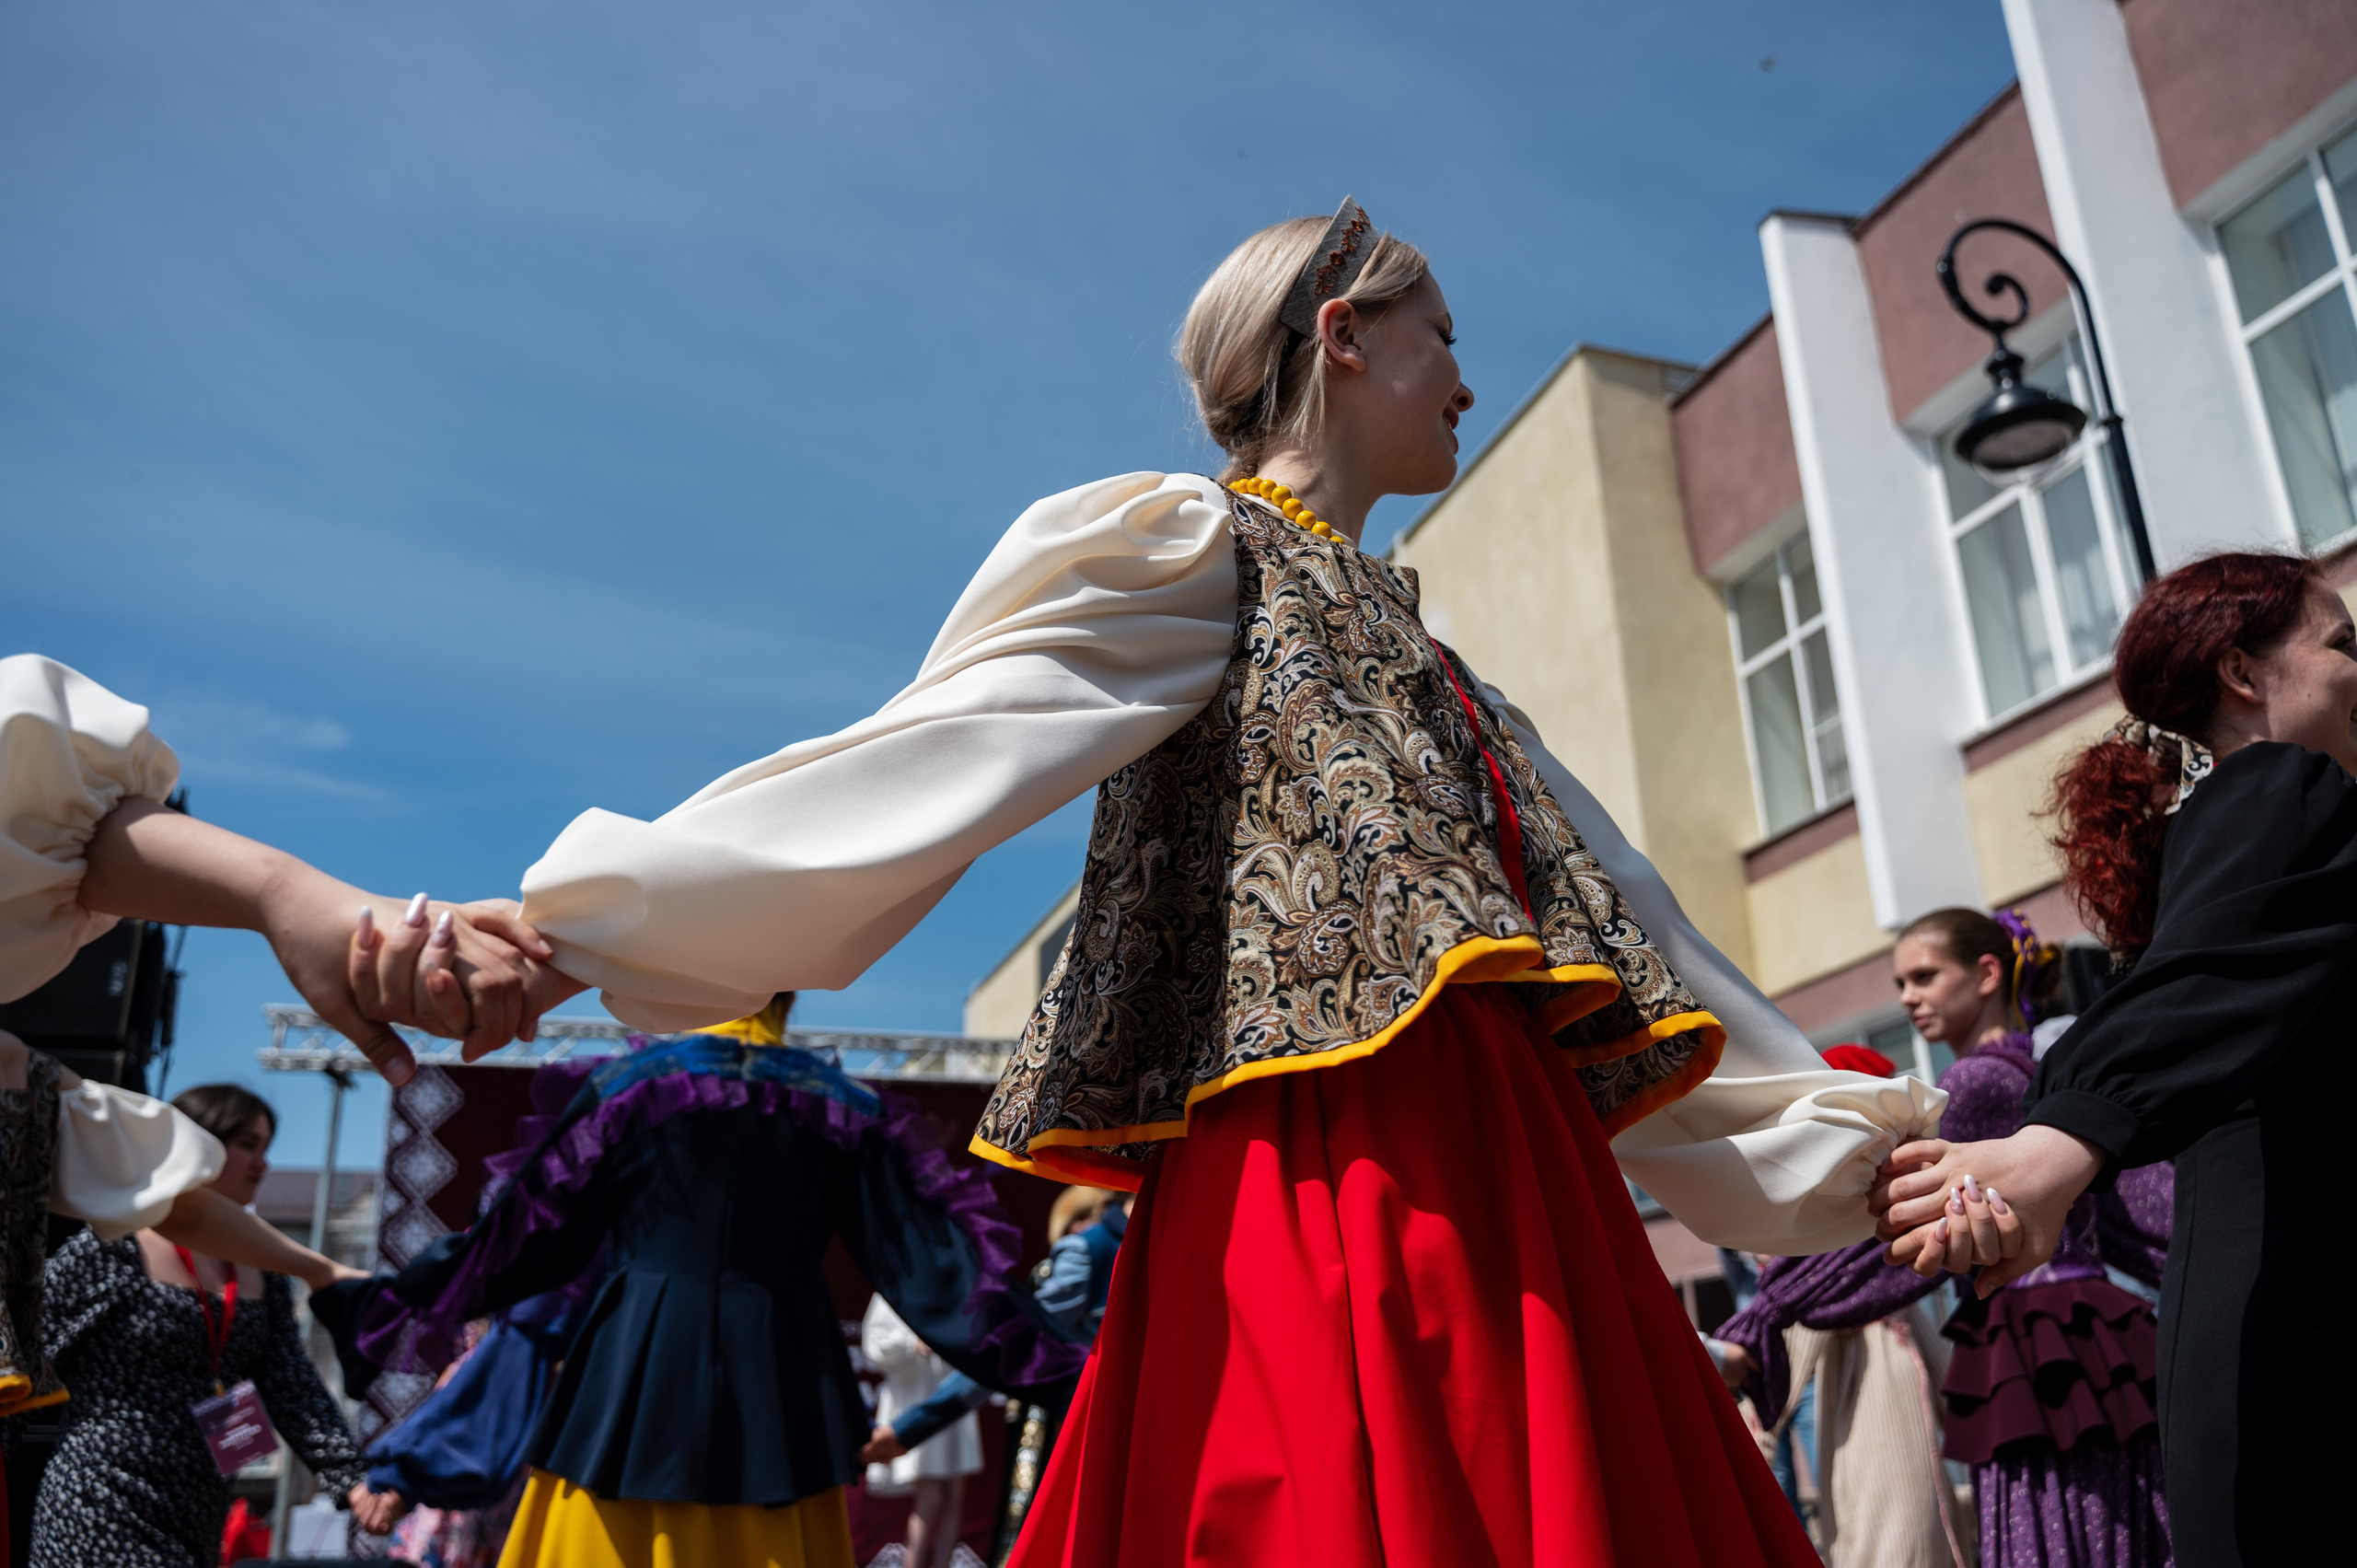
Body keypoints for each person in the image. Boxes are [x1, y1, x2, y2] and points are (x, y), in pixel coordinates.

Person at [354, 200, 1939, 1565]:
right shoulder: (1200, 551)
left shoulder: (1443, 673)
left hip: (1504, 1165)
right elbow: (939, 750)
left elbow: (1641, 929)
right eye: (1442, 330)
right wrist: (577, 925)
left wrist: (1868, 1146)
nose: (1468, 373)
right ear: (1346, 334)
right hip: (1321, 1170)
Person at [1873, 553, 2352, 1565]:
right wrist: (2053, 1149)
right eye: (2341, 643)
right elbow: (2204, 980)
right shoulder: (2279, 780)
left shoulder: (2262, 814)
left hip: (2240, 1296)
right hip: (2294, 1307)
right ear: (2240, 672)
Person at [316, 994, 1086, 1568]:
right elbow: (940, 1279)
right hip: (781, 1395)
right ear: (789, 991)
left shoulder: (632, 1088)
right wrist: (1073, 1372)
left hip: (628, 1390)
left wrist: (385, 1307)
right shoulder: (841, 1106)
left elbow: (516, 1242)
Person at [1728, 912, 2171, 1568]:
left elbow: (1892, 1235)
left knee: (2050, 1535)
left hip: (2034, 1347)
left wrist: (1764, 1316)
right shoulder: (2053, 1072)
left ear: (1987, 973)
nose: (1908, 996)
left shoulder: (1973, 1082)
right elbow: (2144, 1211)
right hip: (2096, 1341)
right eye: (1901, 981)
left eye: (1925, 976)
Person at [24, 1084, 373, 1568]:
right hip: (103, 1495)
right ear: (197, 1142)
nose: (262, 1163)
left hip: (200, 1508)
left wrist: (351, 1480)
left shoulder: (263, 1266)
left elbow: (291, 1382)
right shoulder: (112, 1245)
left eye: (266, 1148)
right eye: (247, 1145)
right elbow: (22, 1349)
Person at [861, 1294, 985, 1568]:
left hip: (953, 1396)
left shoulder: (952, 1281)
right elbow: (874, 1343)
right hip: (918, 1401)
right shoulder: (891, 1286)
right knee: (931, 1497)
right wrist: (912, 1344)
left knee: (953, 1494)